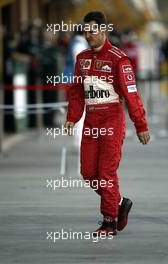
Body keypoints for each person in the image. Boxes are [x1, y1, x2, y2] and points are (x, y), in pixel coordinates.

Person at [65, 11, 150, 236]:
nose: (88, 35)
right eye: (85, 31)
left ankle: (109, 221)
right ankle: (120, 202)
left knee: (106, 173)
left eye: (92, 31)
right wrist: (72, 118)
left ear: (103, 30)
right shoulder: (81, 59)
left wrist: (140, 125)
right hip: (91, 120)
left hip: (112, 119)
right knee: (88, 173)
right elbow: (76, 92)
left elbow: (132, 95)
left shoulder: (119, 58)